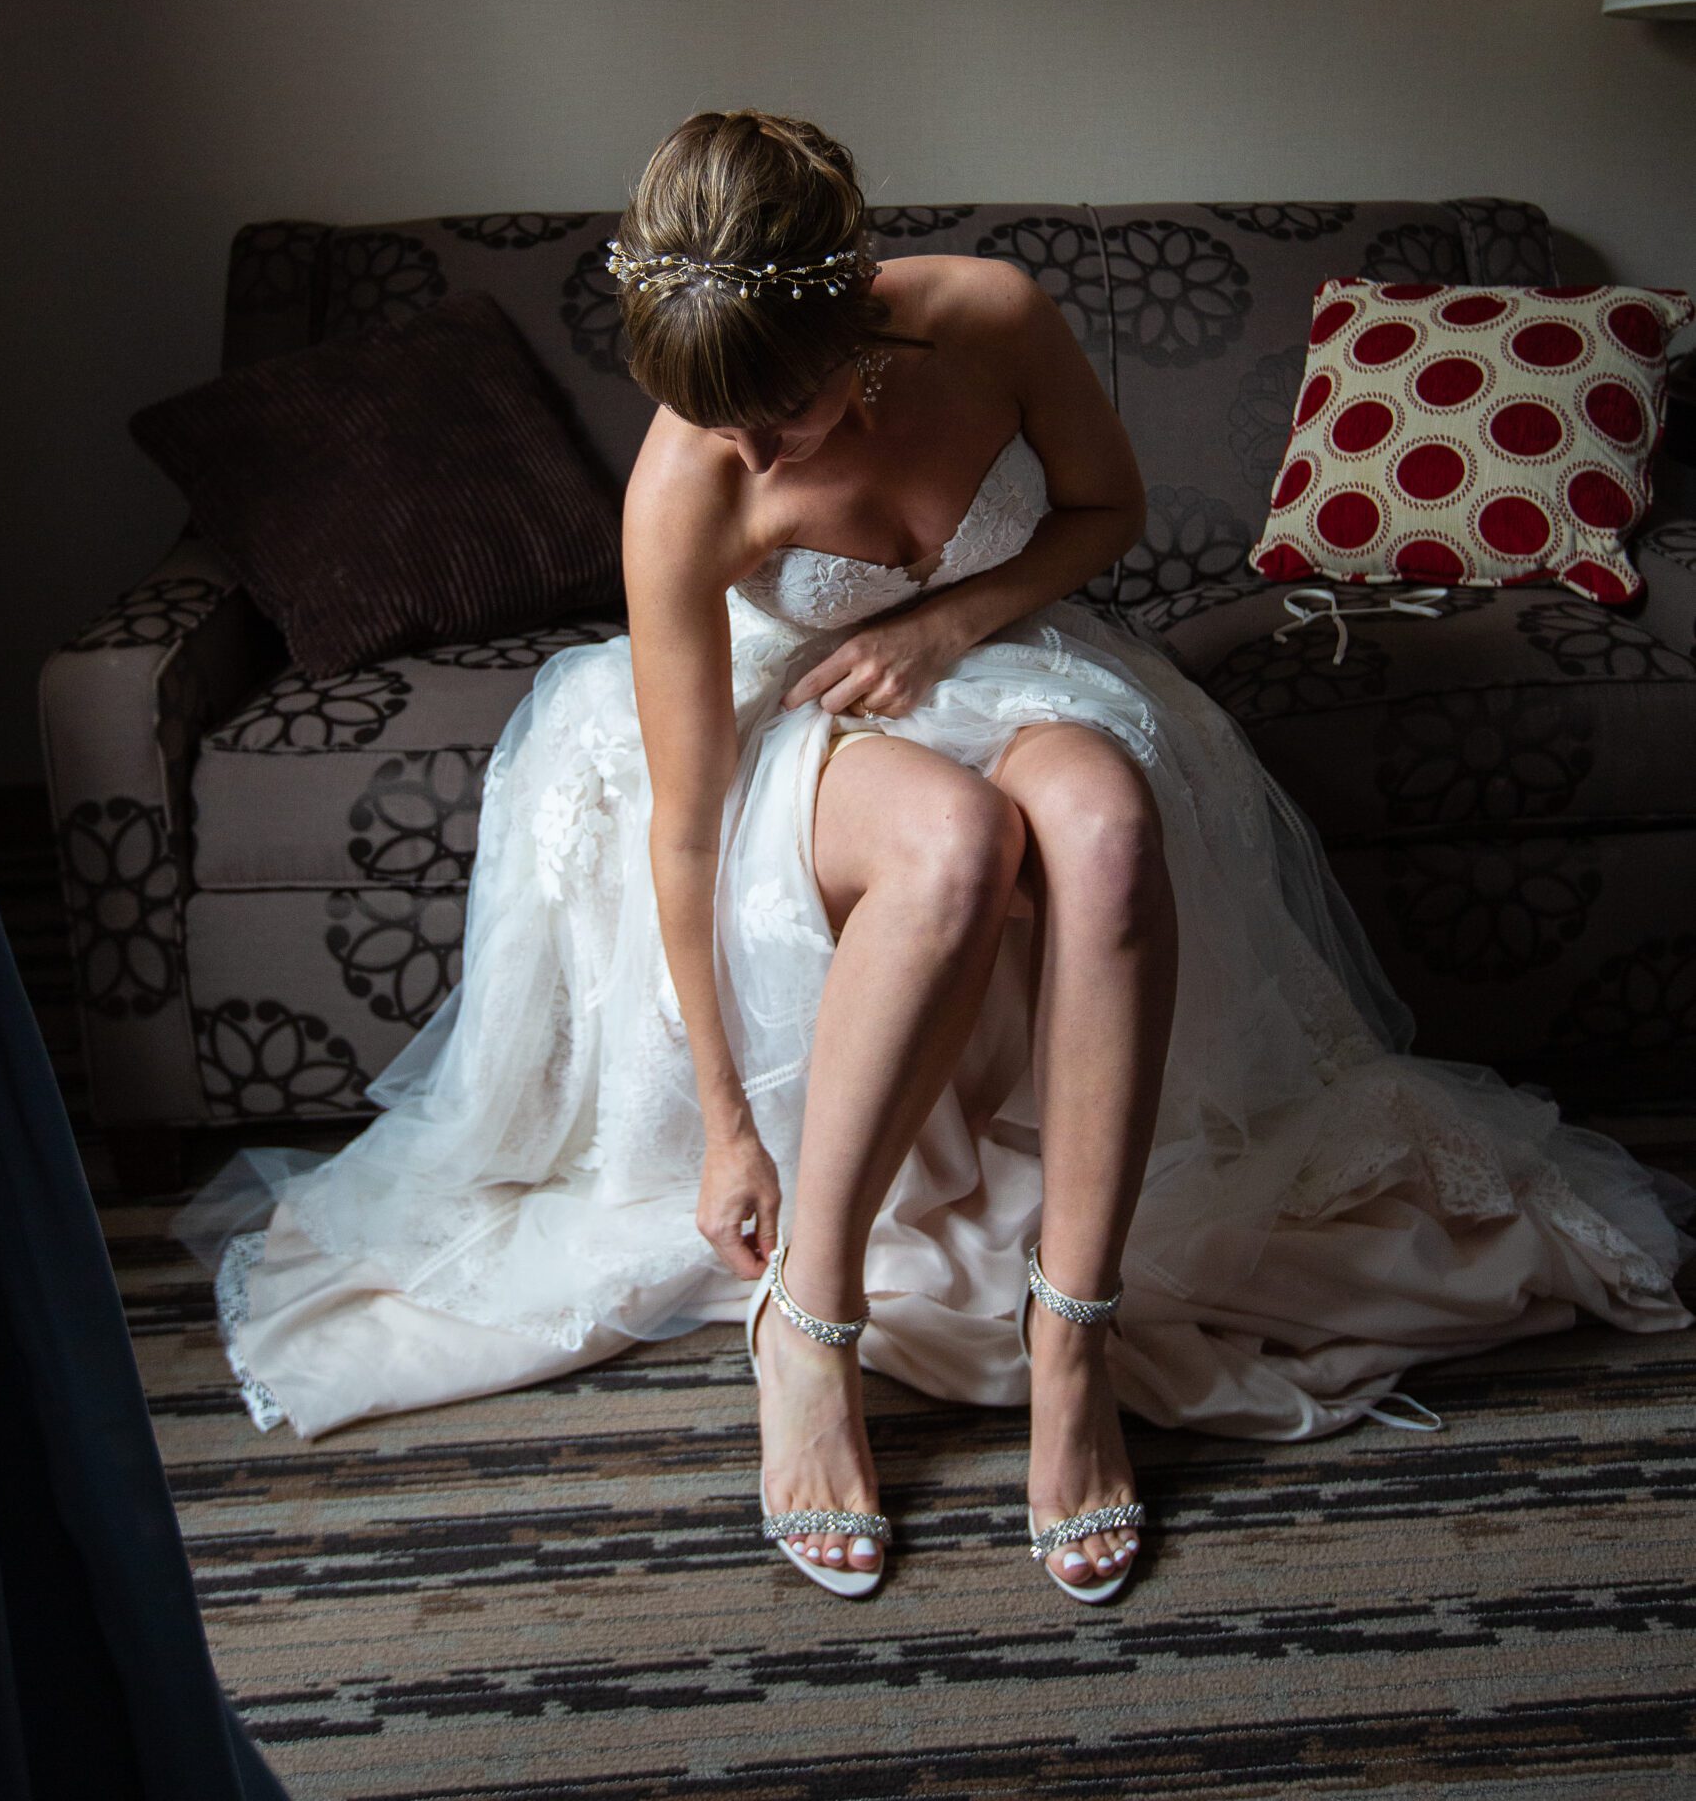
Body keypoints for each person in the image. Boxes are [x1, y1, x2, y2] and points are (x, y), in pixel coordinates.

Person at [184, 110, 1696, 1614]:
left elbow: (1106, 509)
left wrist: (946, 618)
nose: (759, 452)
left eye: (785, 413)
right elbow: (690, 819)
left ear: (856, 315)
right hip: (779, 722)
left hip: (993, 656)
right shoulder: (686, 485)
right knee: (956, 843)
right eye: (728, 431)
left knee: (1106, 824)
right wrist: (723, 1120)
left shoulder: (991, 317)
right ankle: (811, 1323)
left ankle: (1071, 1337)